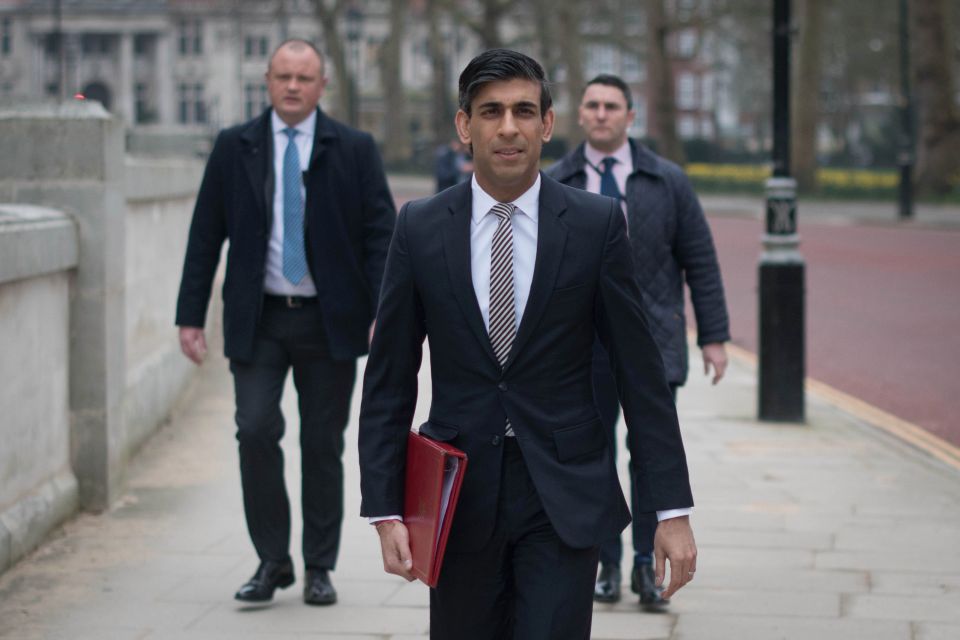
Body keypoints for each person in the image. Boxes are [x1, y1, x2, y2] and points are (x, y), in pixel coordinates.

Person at [358, 50, 696, 640]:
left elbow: (640, 376)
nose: (508, 127)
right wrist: (385, 509)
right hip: (458, 497)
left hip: (563, 494)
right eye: (491, 112)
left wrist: (671, 511)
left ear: (546, 124)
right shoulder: (419, 227)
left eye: (522, 111)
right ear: (465, 126)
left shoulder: (596, 224)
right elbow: (389, 377)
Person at [175, 39, 395, 606]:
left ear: (323, 85)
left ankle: (320, 566)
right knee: (254, 430)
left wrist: (382, 313)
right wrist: (189, 317)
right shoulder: (235, 146)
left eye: (305, 77)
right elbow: (206, 235)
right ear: (267, 81)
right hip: (260, 319)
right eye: (283, 76)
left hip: (331, 322)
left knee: (323, 444)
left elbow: (381, 239)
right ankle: (273, 560)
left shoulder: (354, 147)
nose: (293, 86)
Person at [547, 74, 729, 609]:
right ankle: (604, 563)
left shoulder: (667, 181)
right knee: (592, 455)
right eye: (593, 105)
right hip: (579, 348)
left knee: (650, 455)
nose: (602, 114)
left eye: (612, 106)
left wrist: (714, 336)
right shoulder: (557, 179)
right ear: (579, 115)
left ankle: (648, 566)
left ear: (631, 116)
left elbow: (700, 260)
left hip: (653, 343)